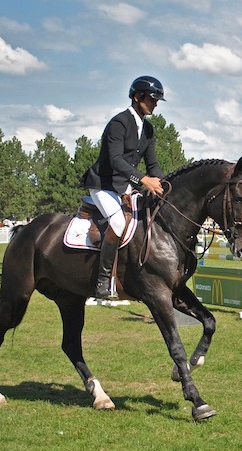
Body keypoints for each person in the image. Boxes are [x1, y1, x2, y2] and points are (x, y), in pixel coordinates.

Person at [81, 75, 166, 299]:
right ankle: (102, 280)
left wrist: (166, 186)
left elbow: (153, 165)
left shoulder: (147, 130)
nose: (156, 103)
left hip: (126, 186)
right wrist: (143, 180)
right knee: (118, 221)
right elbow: (115, 160)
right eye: (152, 98)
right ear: (137, 97)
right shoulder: (119, 123)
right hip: (104, 185)